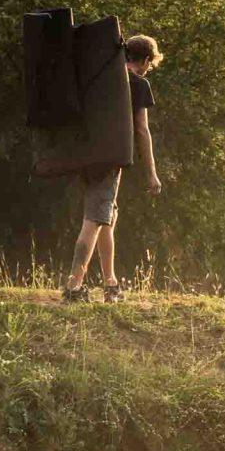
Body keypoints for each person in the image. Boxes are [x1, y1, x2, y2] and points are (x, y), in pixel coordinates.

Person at [62, 34, 163, 303]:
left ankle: (111, 283)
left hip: (85, 155)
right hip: (110, 159)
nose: (147, 69)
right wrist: (151, 172)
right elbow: (142, 130)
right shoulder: (138, 85)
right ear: (144, 60)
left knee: (108, 216)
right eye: (148, 64)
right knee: (94, 219)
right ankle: (73, 286)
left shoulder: (102, 80)